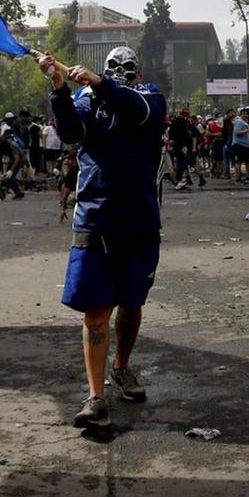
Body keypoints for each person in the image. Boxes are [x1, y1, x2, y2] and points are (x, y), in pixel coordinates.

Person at [37, 46, 166, 432]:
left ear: (137, 72)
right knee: (96, 311)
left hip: (140, 220)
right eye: (113, 67)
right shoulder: (84, 101)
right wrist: (59, 88)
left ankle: (121, 368)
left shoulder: (149, 96)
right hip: (94, 217)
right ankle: (95, 397)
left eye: (128, 67)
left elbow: (141, 112)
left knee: (131, 304)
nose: (121, 72)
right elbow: (70, 132)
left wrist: (101, 82)